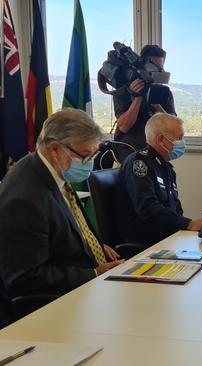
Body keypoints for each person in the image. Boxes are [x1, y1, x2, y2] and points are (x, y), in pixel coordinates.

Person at [0, 110, 124, 319]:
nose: (89, 163)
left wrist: (88, 243)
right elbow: (25, 277)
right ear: (56, 148)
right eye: (85, 155)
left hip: (82, 293)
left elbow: (58, 229)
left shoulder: (50, 170)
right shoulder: (25, 198)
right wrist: (95, 273)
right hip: (52, 309)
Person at [118, 113, 202, 245]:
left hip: (170, 238)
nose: (182, 143)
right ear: (161, 139)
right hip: (146, 244)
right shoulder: (139, 163)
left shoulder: (166, 167)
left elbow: (176, 209)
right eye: (179, 138)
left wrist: (187, 226)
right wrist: (189, 224)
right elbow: (148, 209)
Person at [112, 44, 176, 162]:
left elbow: (172, 127)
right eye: (154, 68)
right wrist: (138, 97)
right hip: (129, 154)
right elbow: (124, 126)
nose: (158, 72)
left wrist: (156, 103)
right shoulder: (124, 91)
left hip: (157, 155)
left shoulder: (164, 92)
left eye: (160, 68)